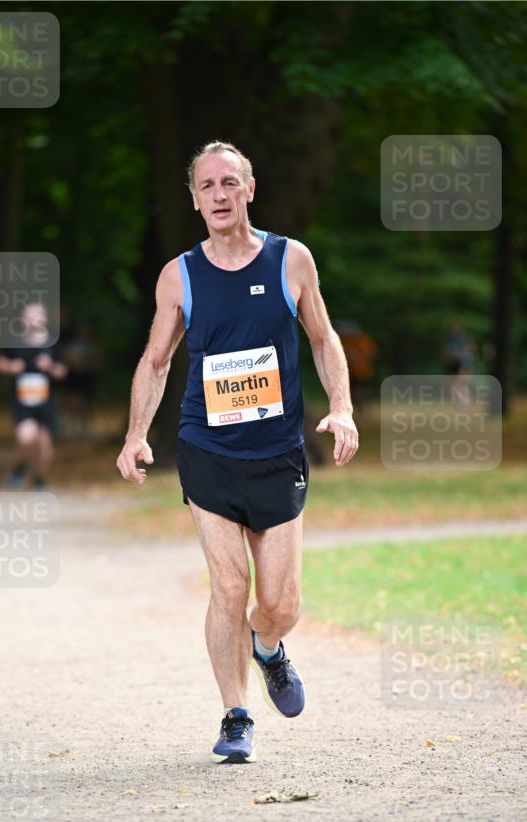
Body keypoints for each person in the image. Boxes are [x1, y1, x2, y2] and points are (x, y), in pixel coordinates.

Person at [116, 141, 358, 763]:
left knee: (281, 604)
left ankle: (269, 647)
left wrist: (342, 407)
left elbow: (325, 338)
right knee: (228, 584)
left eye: (229, 183)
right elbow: (156, 360)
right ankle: (236, 714)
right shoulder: (180, 275)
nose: (219, 196)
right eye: (206, 186)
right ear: (194, 199)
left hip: (277, 452)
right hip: (207, 449)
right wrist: (136, 433)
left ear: (250, 189)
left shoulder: (289, 261)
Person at [0, 302, 67, 490]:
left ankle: (39, 479)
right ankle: (21, 465)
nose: (38, 318)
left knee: (45, 445)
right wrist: (10, 367)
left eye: (41, 314)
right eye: (33, 314)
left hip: (46, 401)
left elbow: (63, 371)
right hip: (23, 402)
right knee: (27, 438)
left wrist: (50, 367)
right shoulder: (14, 342)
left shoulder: (53, 342)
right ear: (24, 318)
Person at [338, 319, 378, 416]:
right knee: (348, 392)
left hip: (360, 372)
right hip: (347, 373)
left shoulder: (361, 340)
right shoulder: (342, 341)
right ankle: (353, 411)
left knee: (359, 392)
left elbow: (371, 354)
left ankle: (363, 410)